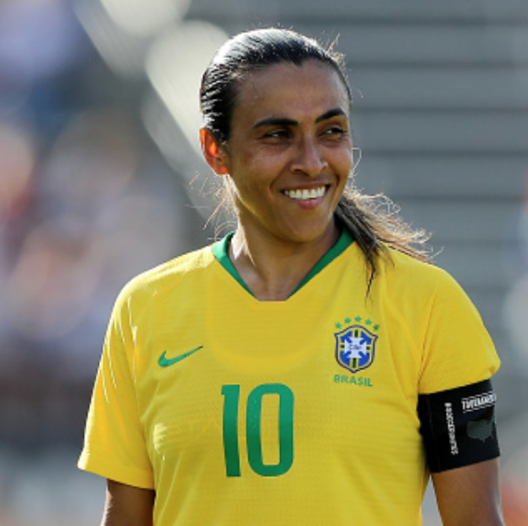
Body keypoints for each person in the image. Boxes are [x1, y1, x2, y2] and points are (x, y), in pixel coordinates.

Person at [78, 28, 505, 526]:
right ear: (215, 149)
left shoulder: (427, 304)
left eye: (331, 131)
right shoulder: (146, 309)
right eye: (277, 135)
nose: (311, 161)